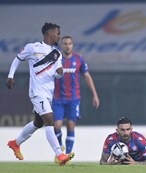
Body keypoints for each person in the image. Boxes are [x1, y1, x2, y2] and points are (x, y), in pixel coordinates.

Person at [6, 22, 74, 165]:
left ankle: (15, 143)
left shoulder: (57, 54)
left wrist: (59, 74)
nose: (59, 36)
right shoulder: (33, 47)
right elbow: (17, 59)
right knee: (50, 120)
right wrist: (10, 76)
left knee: (38, 122)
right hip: (37, 93)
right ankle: (60, 154)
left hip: (49, 93)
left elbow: (57, 74)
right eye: (58, 33)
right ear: (49, 33)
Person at [52, 36, 100, 157]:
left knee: (70, 124)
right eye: (65, 44)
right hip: (58, 98)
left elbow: (87, 76)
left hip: (73, 99)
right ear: (61, 45)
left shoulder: (79, 59)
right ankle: (59, 151)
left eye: (69, 43)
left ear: (72, 45)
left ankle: (67, 154)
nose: (67, 46)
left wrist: (95, 94)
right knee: (57, 125)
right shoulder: (56, 59)